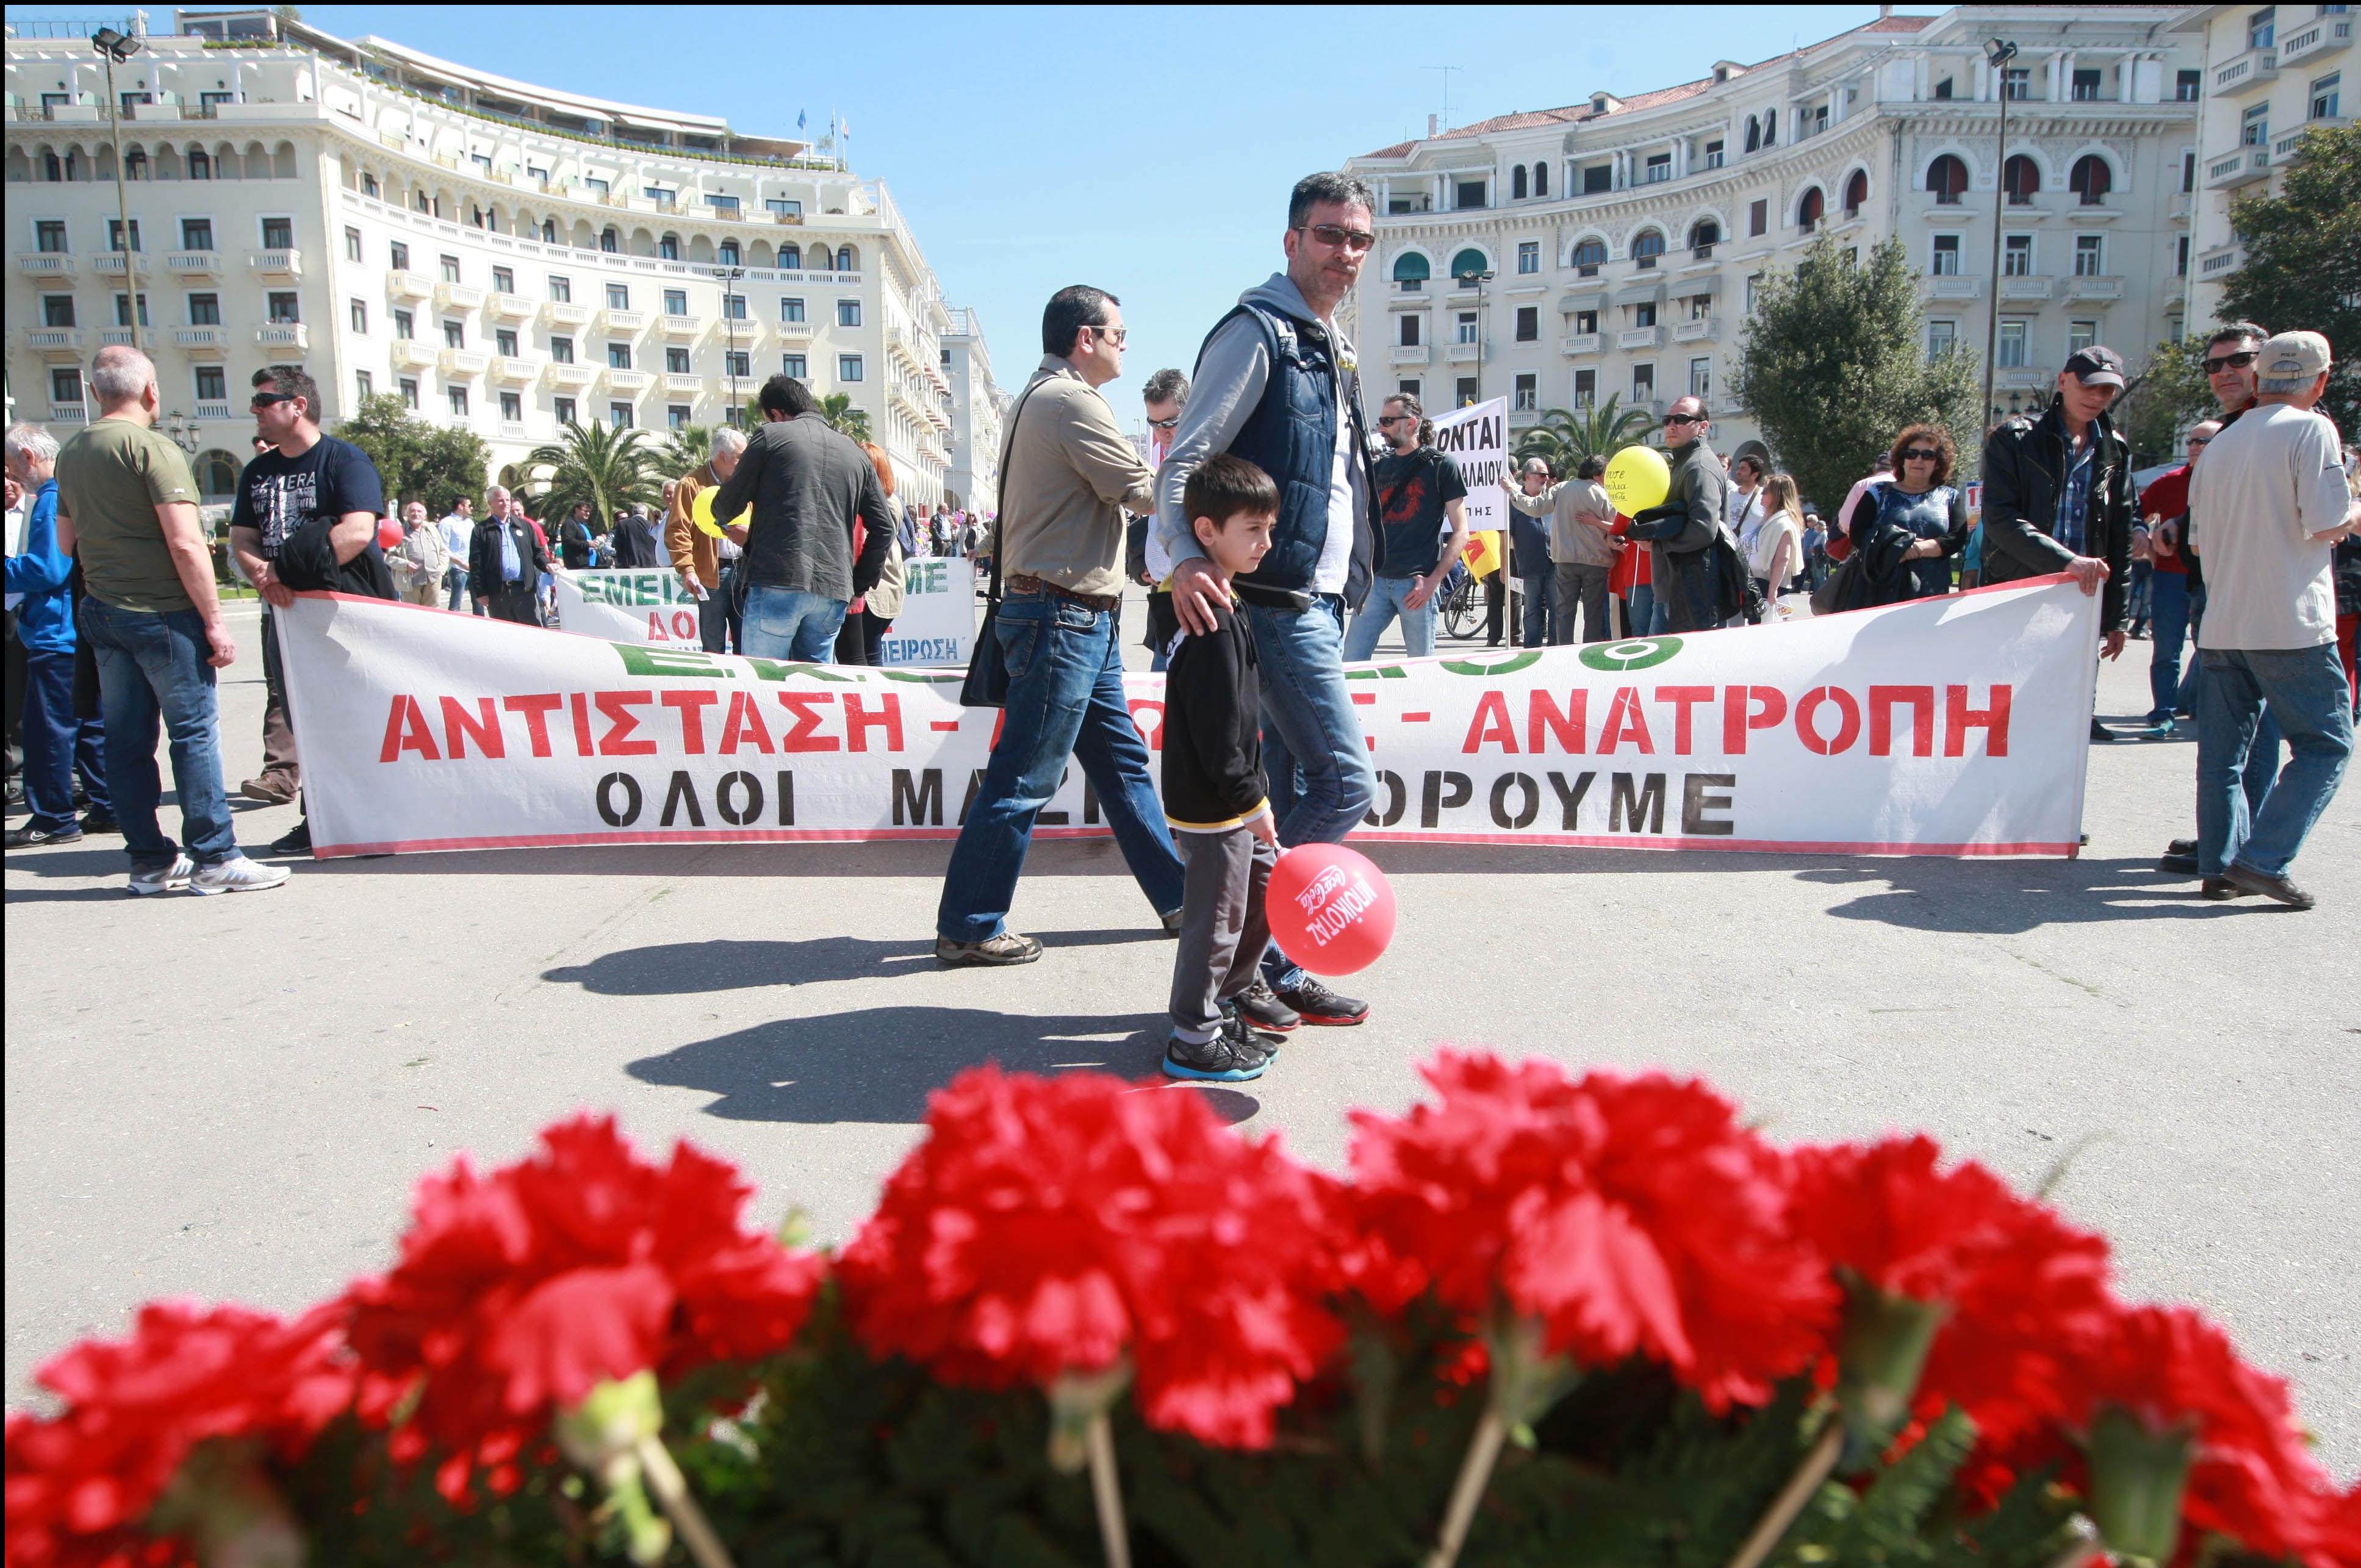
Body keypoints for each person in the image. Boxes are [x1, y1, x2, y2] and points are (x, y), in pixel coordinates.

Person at [1153, 171, 1384, 1028]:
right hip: (1274, 602)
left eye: (1358, 239)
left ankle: (1256, 976)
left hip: (1318, 599)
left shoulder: (1325, 342)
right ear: (1291, 241)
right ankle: (1261, 960)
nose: (1345, 253)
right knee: (1343, 783)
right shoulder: (1259, 332)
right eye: (1329, 235)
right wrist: (1181, 555)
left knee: (1281, 804)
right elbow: (1185, 460)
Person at [935, 284, 1185, 965]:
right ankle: (970, 923)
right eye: (1118, 334)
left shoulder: (1041, 397)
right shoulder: (1072, 401)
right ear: (1085, 337)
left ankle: (1179, 898)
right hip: (1064, 615)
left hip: (1075, 617)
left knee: (1124, 767)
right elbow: (1144, 489)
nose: (1125, 345)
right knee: (1023, 779)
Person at [52, 346, 285, 895]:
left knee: (126, 740)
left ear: (95, 393)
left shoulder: (72, 451)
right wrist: (215, 621)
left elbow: (65, 543)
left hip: (103, 609)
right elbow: (185, 543)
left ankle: (150, 861)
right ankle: (215, 856)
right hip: (161, 611)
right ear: (152, 392)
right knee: (193, 735)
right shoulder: (151, 448)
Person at [2184, 330, 2357, 909]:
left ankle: (2219, 865)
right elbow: (2330, 520)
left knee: (2222, 759)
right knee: (2325, 745)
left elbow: (2199, 543)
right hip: (2290, 620)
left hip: (2225, 621)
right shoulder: (2313, 429)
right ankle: (2261, 859)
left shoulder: (2221, 445)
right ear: (2322, 380)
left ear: (2258, 379)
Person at [1160, 455, 1294, 1081]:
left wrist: (1254, 789)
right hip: (1215, 804)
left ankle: (1226, 1002)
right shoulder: (1209, 617)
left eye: (1270, 528)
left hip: (1237, 794)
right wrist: (1251, 797)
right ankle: (1193, 1034)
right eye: (1254, 529)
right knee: (1215, 922)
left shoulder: (1225, 596)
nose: (1267, 542)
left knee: (1255, 898)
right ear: (1208, 531)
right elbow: (1218, 731)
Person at [229, 364, 395, 858]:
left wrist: (284, 575)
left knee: (358, 716)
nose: (254, 410)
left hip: (341, 612)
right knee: (305, 719)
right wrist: (261, 573)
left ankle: (375, 818)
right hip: (282, 616)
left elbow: (358, 531)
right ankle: (319, 819)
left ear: (296, 405)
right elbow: (241, 537)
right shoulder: (257, 471)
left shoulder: (345, 460)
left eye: (263, 401)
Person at [1978, 346, 2135, 741]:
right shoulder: (2014, 438)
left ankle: (2051, 800)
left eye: (2107, 391)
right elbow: (1999, 520)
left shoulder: (2114, 448)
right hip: (2020, 591)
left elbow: (2120, 535)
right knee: (2007, 716)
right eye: (2089, 386)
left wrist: (2116, 617)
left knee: (2070, 717)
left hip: (2081, 598)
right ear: (2063, 381)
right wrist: (2067, 561)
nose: (2097, 397)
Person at [706, 374, 892, 663]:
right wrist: (859, 583)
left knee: (765, 681)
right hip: (833, 589)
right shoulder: (855, 455)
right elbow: (884, 528)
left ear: (777, 414)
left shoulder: (771, 437)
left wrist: (722, 508)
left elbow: (726, 506)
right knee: (817, 688)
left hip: (776, 579)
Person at [4, 422, 112, 847]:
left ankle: (52, 818)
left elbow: (49, 568)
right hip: (80, 628)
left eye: (11, 465)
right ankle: (106, 805)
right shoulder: (71, 490)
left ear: (29, 457)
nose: (11, 475)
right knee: (89, 725)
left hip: (55, 631)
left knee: (49, 730)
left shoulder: (50, 500)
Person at [1343, 394, 1466, 661]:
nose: (1381, 429)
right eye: (1380, 421)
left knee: (1421, 671)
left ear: (1411, 423)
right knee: (1350, 663)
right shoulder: (1378, 467)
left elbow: (1461, 532)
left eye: (1388, 421)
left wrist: (1433, 582)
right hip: (1376, 583)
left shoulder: (1442, 465)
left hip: (1416, 585)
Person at [1630, 396, 1728, 633]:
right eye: (1667, 420)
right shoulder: (1685, 463)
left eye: (1682, 419)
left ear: (1703, 426)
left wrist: (1658, 543)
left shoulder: (1699, 466)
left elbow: (1703, 530)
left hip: (1691, 593)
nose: (1672, 425)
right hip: (1674, 590)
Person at [1847, 426, 1969, 606]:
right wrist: (1898, 548)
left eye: (1928, 455)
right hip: (1879, 589)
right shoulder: (1877, 492)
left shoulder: (1951, 497)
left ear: (1938, 463)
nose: (1918, 460)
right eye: (1911, 453)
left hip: (1931, 592)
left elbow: (1956, 538)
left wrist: (1916, 550)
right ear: (1902, 459)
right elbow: (1858, 533)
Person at [1507, 451, 1617, 643]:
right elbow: (1615, 526)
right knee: (1593, 613)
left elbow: (1536, 508)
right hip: (1595, 562)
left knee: (1564, 610)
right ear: (1599, 474)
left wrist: (1514, 492)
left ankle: (1564, 649)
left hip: (1565, 561)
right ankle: (1588, 651)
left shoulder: (1562, 489)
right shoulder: (1603, 494)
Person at [668, 426, 746, 654]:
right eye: (741, 457)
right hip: (712, 575)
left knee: (748, 643)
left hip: (745, 572)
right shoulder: (691, 484)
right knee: (713, 645)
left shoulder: (744, 483)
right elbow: (677, 531)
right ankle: (719, 688)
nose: (745, 462)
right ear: (723, 457)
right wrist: (688, 570)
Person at [1137, 367, 1190, 671]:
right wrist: (1142, 565)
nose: (1161, 433)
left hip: (1191, 596)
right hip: (1163, 595)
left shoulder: (1205, 459)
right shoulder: (1167, 463)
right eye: (1154, 424)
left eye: (1170, 423)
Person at [834, 439, 905, 666]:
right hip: (878, 585)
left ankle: (873, 698)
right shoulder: (885, 500)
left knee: (868, 653)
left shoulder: (885, 503)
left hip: (875, 588)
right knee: (865, 651)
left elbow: (876, 540)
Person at [469, 484, 550, 625]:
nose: (505, 503)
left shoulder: (524, 526)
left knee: (532, 631)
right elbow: (476, 563)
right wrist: (481, 592)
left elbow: (537, 553)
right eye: (501, 500)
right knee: (505, 634)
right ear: (490, 504)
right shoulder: (481, 530)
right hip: (498, 593)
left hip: (524, 591)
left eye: (507, 500)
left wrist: (548, 565)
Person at [1750, 472, 1806, 617]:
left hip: (1767, 585)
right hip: (1756, 582)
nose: (1761, 494)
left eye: (1766, 491)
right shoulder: (1769, 519)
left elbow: (1783, 559)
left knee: (1765, 629)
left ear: (1777, 495)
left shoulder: (1783, 523)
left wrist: (1772, 591)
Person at [1828, 451, 1893, 564]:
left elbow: (1845, 520)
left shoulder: (1862, 484)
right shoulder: (1902, 486)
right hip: (1894, 548)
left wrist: (1850, 532)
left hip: (1863, 547)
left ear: (1875, 468)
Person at [388, 499, 448, 607]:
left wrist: (441, 570)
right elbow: (390, 558)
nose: (416, 514)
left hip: (433, 579)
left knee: (433, 613)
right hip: (411, 581)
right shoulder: (400, 532)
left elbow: (443, 551)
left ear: (424, 515)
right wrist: (405, 565)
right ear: (407, 515)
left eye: (419, 511)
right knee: (413, 614)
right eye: (412, 511)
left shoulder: (431, 529)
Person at [437, 495, 475, 613]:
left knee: (478, 600)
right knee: (456, 602)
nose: (472, 508)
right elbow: (443, 547)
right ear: (460, 506)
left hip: (473, 567)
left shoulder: (470, 523)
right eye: (469, 505)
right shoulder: (447, 523)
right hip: (458, 568)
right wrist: (462, 563)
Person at [1727, 452, 1768, 563]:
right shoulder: (1730, 494)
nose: (1738, 472)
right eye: (1739, 468)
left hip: (1752, 559)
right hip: (1728, 555)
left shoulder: (1764, 497)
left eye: (1743, 469)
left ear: (1755, 475)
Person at [554, 501, 597, 572]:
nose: (588, 514)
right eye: (585, 511)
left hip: (590, 563)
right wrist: (588, 544)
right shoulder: (569, 523)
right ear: (577, 510)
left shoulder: (584, 525)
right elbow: (568, 540)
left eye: (589, 512)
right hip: (578, 565)